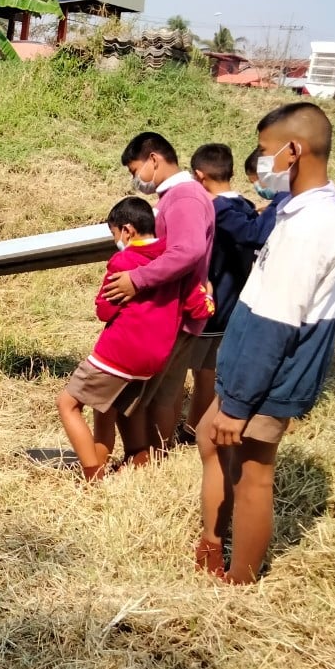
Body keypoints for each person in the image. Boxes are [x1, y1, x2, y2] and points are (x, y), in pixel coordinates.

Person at [197, 102, 335, 584]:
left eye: (266, 151)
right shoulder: (302, 208)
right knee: (208, 436)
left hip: (270, 372)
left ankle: (239, 577)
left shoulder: (312, 226)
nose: (261, 162)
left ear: (294, 151)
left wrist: (238, 404)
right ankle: (212, 540)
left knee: (253, 473)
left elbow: (276, 322)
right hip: (251, 365)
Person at [106, 133, 214, 462]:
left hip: (172, 311)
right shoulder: (181, 196)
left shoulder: (184, 198)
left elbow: (189, 250)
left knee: (148, 392)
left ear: (154, 160)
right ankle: (155, 455)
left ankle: (144, 456)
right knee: (167, 391)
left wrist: (138, 280)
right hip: (181, 309)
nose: (135, 179)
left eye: (135, 169)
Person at [56, 197, 181, 480]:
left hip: (120, 351)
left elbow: (105, 309)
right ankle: (137, 459)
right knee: (116, 406)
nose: (116, 240)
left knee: (67, 403)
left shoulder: (124, 260)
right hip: (154, 355)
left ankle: (92, 476)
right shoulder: (172, 258)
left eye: (114, 234)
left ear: (127, 231)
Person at [236, 151, 335, 322]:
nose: (258, 188)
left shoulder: (287, 197)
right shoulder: (307, 192)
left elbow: (255, 235)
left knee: (303, 337)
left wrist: (222, 211)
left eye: (257, 181)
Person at [181, 144, 259, 441]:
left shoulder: (212, 211)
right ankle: (194, 427)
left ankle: (190, 431)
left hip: (208, 310)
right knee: (210, 375)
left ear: (199, 176)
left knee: (196, 376)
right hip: (235, 308)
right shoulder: (246, 207)